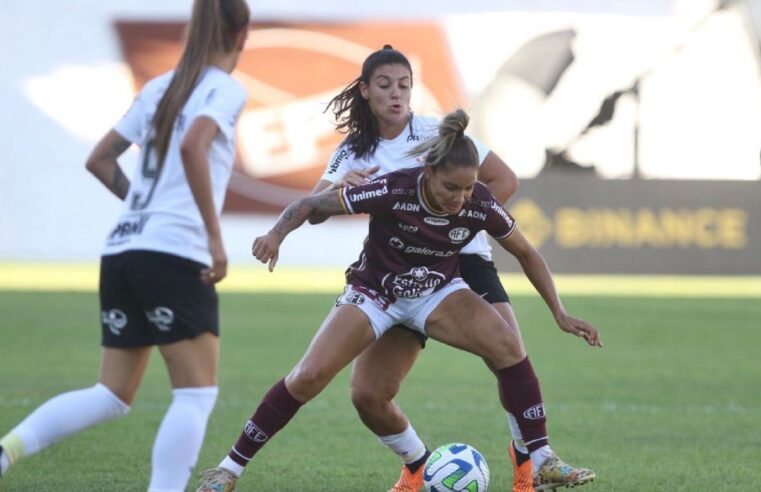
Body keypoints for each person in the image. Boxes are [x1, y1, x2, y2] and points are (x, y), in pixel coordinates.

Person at [196, 109, 601, 492]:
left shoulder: (478, 201)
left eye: (467, 187)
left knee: (509, 347)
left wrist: (560, 312)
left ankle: (542, 459)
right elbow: (310, 205)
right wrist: (275, 235)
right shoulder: (393, 188)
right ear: (428, 172)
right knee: (326, 382)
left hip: (437, 293)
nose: (460, 198)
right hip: (376, 293)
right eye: (450, 187)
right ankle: (229, 470)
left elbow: (527, 252)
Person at [313, 45, 589, 492]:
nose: (396, 94)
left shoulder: (438, 134)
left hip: (465, 259)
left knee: (509, 353)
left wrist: (458, 224)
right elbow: (315, 207)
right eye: (385, 85)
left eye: (404, 85)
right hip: (400, 271)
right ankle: (415, 468)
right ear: (365, 92)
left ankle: (535, 466)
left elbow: (505, 180)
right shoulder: (353, 151)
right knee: (370, 392)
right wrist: (339, 188)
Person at [0, 1, 250, 490]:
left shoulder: (159, 87)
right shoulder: (225, 89)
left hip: (123, 249)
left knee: (112, 394)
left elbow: (100, 159)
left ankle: (7, 450)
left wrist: (141, 206)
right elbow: (192, 145)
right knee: (196, 394)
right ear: (242, 33)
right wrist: (215, 239)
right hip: (173, 253)